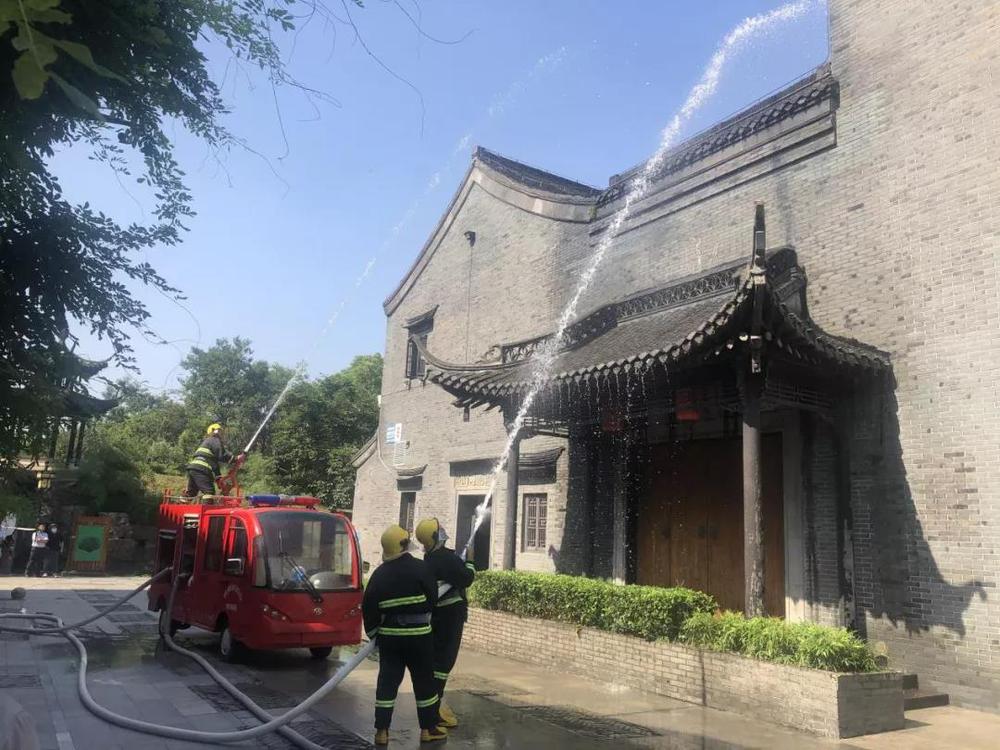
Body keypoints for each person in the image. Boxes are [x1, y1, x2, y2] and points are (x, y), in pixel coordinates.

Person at [362, 525, 447, 746]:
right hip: (419, 637)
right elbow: (432, 599)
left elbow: (368, 608)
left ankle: (381, 732)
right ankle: (428, 729)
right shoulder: (421, 568)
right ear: (404, 545)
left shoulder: (379, 575)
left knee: (387, 684)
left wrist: (375, 635)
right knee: (424, 682)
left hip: (390, 638)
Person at [415, 517, 476, 729]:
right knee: (444, 662)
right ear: (433, 537)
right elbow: (467, 578)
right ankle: (435, 711)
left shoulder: (429, 559)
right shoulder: (446, 559)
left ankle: (434, 707)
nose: (442, 531)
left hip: (437, 617)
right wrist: (470, 561)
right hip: (451, 617)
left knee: (437, 662)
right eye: (438, 530)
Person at [185, 423, 242, 497]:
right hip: (202, 470)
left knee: (191, 494)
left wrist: (219, 479)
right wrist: (235, 458)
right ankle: (208, 505)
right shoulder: (214, 439)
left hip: (193, 469)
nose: (222, 434)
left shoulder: (207, 442)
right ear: (215, 431)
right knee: (209, 493)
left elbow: (214, 465)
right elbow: (222, 455)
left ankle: (181, 503)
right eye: (220, 431)